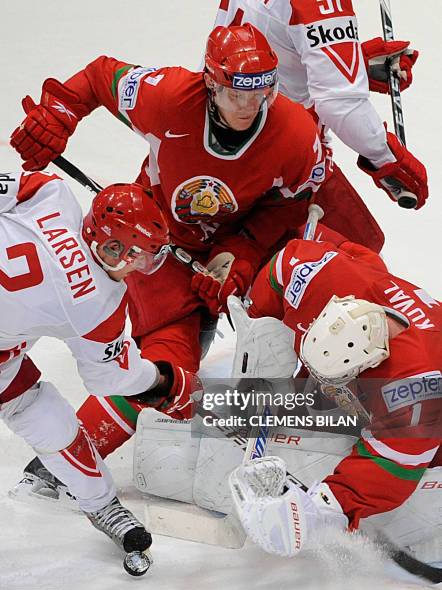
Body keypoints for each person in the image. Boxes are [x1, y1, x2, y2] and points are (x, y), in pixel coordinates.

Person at [10, 23, 329, 459]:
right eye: (238, 94)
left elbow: (291, 206)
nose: (250, 107)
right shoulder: (170, 96)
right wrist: (58, 112)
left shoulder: (295, 134)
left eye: (261, 95)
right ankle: (58, 442)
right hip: (149, 237)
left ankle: (68, 462)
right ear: (211, 83)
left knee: (198, 360)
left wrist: (242, 252)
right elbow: (101, 76)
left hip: (222, 249)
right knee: (134, 339)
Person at [0, 170, 201, 570]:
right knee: (44, 416)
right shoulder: (95, 304)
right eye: (141, 256)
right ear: (112, 249)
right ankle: (102, 504)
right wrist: (164, 382)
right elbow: (109, 378)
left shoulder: (50, 194)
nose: (144, 266)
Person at [224, 236, 441, 557]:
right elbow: (280, 268)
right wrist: (258, 326)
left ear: (367, 369)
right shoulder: (320, 281)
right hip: (372, 287)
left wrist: (317, 510)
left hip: (427, 380)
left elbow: (391, 469)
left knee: (430, 462)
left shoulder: (417, 391)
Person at [211, 0, 428, 252]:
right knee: (359, 253)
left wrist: (351, 64)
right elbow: (341, 106)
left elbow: (265, 54)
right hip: (276, 166)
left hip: (223, 137)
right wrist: (388, 160)